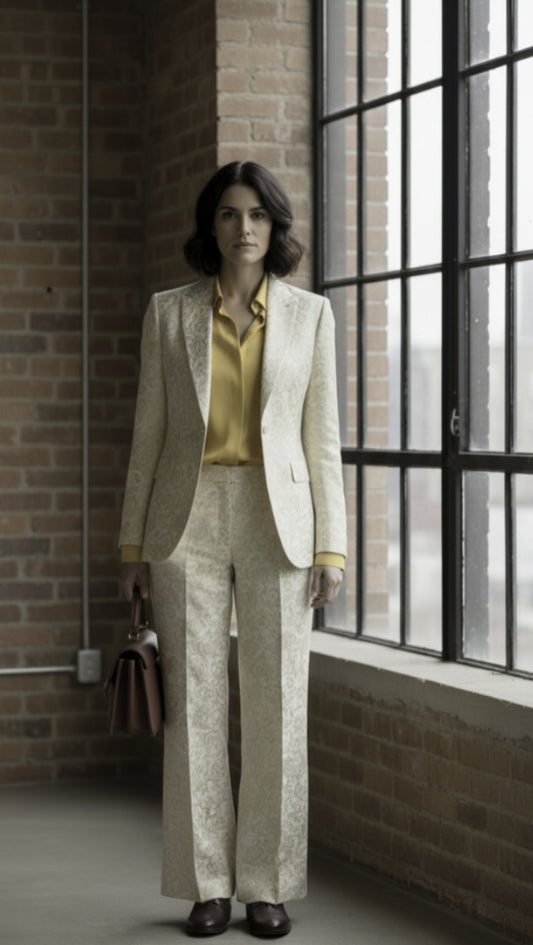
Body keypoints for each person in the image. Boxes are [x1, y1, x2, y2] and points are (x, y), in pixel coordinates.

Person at [119, 161, 346, 938]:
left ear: (274, 228)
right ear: (209, 226)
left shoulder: (312, 316)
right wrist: (131, 543)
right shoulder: (168, 314)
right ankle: (205, 884)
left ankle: (267, 885)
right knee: (193, 709)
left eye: (256, 215)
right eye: (228, 214)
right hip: (185, 520)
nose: (242, 228)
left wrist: (331, 547)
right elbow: (147, 434)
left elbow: (323, 442)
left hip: (278, 518)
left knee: (279, 706)